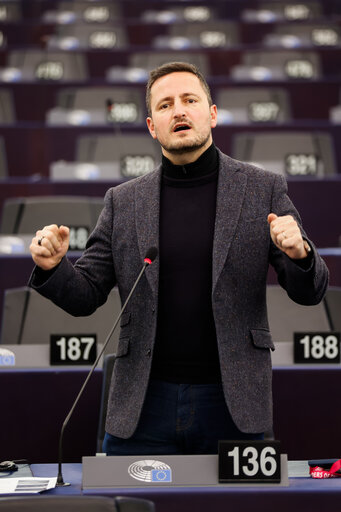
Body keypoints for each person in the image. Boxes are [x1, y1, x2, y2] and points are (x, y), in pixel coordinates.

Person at [29, 61, 329, 456]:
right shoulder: (123, 201)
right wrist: (53, 268)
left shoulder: (262, 189)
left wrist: (300, 254)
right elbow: (86, 295)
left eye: (190, 100)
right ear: (153, 126)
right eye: (166, 105)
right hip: (143, 404)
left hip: (233, 402)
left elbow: (310, 292)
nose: (180, 111)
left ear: (212, 114)